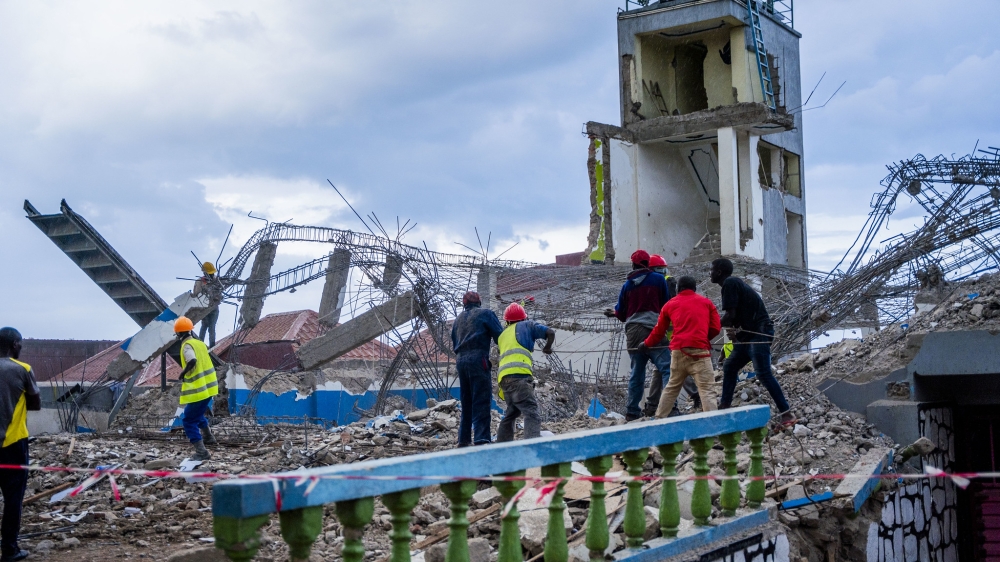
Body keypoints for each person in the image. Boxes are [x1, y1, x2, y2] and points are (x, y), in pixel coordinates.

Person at [711, 258, 796, 426]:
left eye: (712, 270)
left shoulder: (729, 283)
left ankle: (787, 414)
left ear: (719, 272)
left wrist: (709, 330)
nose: (710, 273)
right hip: (747, 336)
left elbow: (730, 316)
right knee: (730, 366)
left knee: (763, 373)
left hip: (758, 333)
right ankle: (725, 406)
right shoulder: (731, 284)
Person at [603, 249, 674, 421]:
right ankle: (670, 408)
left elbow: (621, 314)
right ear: (648, 264)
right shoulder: (658, 280)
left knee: (637, 372)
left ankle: (632, 411)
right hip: (653, 328)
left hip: (633, 332)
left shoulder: (627, 285)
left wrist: (614, 312)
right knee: (666, 368)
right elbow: (666, 305)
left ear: (633, 264)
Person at [639, 276, 721, 417]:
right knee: (707, 389)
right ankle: (712, 424)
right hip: (700, 352)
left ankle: (660, 419)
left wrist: (646, 344)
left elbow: (658, 331)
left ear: (678, 289)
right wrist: (701, 338)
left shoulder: (670, 304)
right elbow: (716, 328)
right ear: (694, 289)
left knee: (671, 387)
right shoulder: (707, 303)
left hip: (678, 353)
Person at [0, 327, 41, 562]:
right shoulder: (22, 369)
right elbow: (35, 404)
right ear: (15, 344)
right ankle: (9, 549)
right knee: (13, 499)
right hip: (13, 444)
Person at [643, 254, 701, 416]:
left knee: (668, 366)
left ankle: (654, 404)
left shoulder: (663, 282)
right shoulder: (667, 281)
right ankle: (654, 403)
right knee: (666, 367)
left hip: (665, 331)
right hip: (667, 331)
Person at [450, 291, 504, 447]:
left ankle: (464, 439)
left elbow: (454, 343)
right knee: (481, 399)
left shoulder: (458, 320)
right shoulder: (486, 314)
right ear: (479, 303)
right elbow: (500, 337)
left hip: (461, 361)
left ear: (464, 304)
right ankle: (481, 438)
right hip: (478, 358)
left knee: (466, 401)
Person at [496, 303, 554, 442]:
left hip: (504, 380)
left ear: (507, 321)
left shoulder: (502, 335)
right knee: (531, 412)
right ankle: (532, 445)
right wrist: (547, 348)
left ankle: (501, 447)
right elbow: (550, 332)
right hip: (520, 376)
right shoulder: (527, 325)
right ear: (523, 318)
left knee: (511, 413)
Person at [174, 317, 219, 460]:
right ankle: (208, 437)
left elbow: (192, 360)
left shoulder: (186, 345)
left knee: (188, 420)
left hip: (198, 390)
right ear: (190, 330)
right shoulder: (199, 343)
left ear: (178, 334)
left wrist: (183, 372)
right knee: (197, 415)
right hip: (209, 387)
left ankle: (201, 452)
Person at [192, 262, 221, 348]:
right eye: (210, 273)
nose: (212, 275)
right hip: (204, 308)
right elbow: (196, 294)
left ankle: (212, 347)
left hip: (214, 308)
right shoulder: (199, 282)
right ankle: (200, 345)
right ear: (205, 273)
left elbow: (220, 293)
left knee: (212, 327)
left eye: (212, 273)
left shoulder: (216, 280)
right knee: (204, 325)